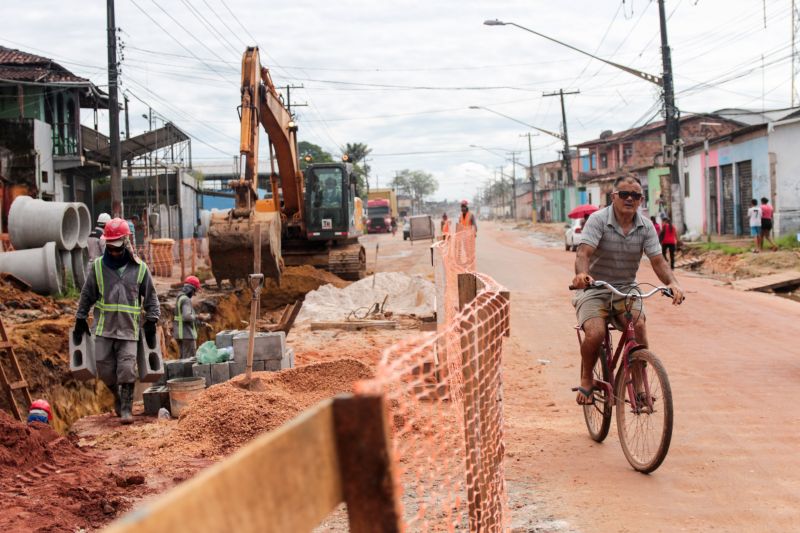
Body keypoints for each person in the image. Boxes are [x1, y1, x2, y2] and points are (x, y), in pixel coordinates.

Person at [571, 175, 684, 405]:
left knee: (639, 326)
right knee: (595, 333)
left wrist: (673, 283)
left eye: (635, 195)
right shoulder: (598, 220)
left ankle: (640, 387)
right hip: (595, 287)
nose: (629, 199)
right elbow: (583, 253)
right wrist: (582, 275)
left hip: (626, 289)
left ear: (641, 200)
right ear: (614, 197)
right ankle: (586, 378)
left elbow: (658, 261)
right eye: (624, 194)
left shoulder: (646, 226)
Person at [73, 218, 160, 425]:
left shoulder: (140, 269)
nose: (113, 252)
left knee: (127, 368)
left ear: (126, 242)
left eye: (117, 248)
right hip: (104, 329)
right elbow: (86, 296)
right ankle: (117, 397)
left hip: (129, 330)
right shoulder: (97, 268)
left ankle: (127, 407)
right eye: (110, 247)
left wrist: (151, 320)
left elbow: (151, 298)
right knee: (104, 370)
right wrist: (80, 317)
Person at [174, 276, 201, 360]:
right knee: (189, 361)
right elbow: (187, 316)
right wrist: (197, 317)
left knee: (183, 360)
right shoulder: (186, 300)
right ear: (191, 289)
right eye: (194, 291)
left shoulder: (179, 298)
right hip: (187, 335)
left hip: (179, 334)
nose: (193, 294)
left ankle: (181, 373)